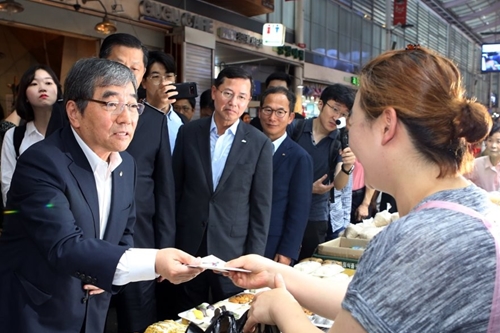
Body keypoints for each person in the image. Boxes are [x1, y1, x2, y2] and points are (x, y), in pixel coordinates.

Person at [226, 45, 499, 333]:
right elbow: (371, 304)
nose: (349, 134)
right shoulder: (473, 207)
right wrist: (275, 272)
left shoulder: (416, 239)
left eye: (352, 121)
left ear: (386, 126)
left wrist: (281, 308)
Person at [0, 57, 203, 333]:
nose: (126, 117)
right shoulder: (41, 163)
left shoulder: (126, 164)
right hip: (40, 313)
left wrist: (106, 270)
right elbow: (65, 246)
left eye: (133, 104)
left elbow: (124, 233)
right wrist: (155, 262)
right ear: (74, 111)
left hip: (93, 313)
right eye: (111, 104)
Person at [92, 34, 177, 332]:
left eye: (135, 68)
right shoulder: (76, 111)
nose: (127, 73)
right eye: (118, 64)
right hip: (88, 244)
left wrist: (164, 247)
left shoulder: (154, 121)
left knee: (139, 322)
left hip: (140, 244)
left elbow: (164, 190)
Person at [172, 66, 273, 312]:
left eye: (241, 96)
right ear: (215, 92)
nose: (233, 102)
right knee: (185, 314)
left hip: (232, 252)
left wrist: (254, 259)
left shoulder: (259, 144)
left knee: (230, 315)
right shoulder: (188, 133)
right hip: (189, 246)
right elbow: (174, 192)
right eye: (228, 93)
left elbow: (261, 207)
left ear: (249, 100)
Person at [289, 84, 356, 261]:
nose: (337, 117)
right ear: (320, 104)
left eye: (343, 114)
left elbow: (339, 185)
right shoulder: (295, 129)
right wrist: (306, 189)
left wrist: (348, 167)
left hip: (315, 216)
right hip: (287, 209)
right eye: (334, 109)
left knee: (308, 265)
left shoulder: (339, 141)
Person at [259, 86, 313, 265]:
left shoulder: (299, 157)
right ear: (260, 112)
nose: (272, 118)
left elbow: (299, 209)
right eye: (268, 110)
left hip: (274, 242)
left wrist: (288, 250)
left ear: (290, 117)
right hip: (242, 239)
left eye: (280, 112)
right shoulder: (248, 147)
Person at [1, 64, 63, 205]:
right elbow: (8, 186)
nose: (42, 88)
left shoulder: (71, 133)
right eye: (34, 84)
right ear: (25, 95)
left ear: (57, 91)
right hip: (28, 218)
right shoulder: (14, 137)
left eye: (48, 82)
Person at [141, 50, 187, 154]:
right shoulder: (135, 117)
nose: (163, 83)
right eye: (156, 77)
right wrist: (155, 109)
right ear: (144, 82)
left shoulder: (182, 122)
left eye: (168, 76)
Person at [466, 122, 500, 191]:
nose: (493, 146)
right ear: (485, 142)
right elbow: (463, 184)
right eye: (490, 140)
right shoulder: (476, 164)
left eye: (498, 142)